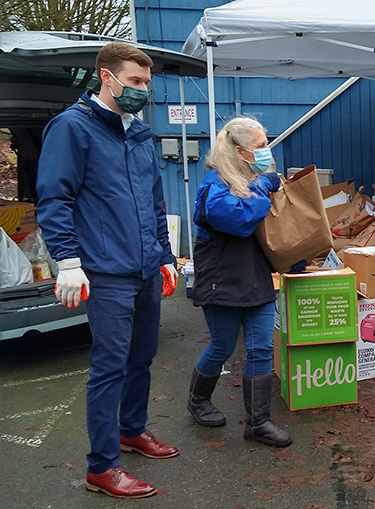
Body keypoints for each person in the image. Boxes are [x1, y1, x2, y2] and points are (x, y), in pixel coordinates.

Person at [35, 43, 180, 498]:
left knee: (141, 357)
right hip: (105, 271)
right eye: (133, 82)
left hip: (143, 268)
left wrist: (165, 256)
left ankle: (131, 430)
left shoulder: (138, 135)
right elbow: (54, 199)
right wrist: (69, 262)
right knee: (109, 367)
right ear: (106, 77)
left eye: (145, 84)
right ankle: (101, 467)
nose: (140, 91)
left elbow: (155, 204)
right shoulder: (72, 129)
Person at [187, 117, 293, 448]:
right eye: (260, 146)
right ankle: (198, 401)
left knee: (261, 348)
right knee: (221, 347)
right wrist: (263, 186)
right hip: (222, 283)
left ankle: (258, 423)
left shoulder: (251, 178)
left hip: (256, 279)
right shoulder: (214, 186)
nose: (267, 151)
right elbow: (238, 219)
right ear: (238, 151)